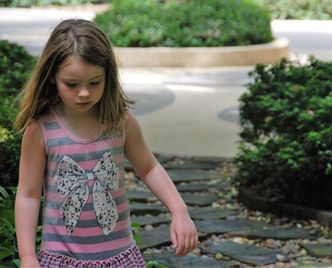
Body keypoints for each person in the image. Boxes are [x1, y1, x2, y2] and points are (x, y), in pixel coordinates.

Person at [14, 19, 198, 268]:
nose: (84, 93)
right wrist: (27, 256)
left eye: (94, 82)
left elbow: (149, 168)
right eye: (72, 84)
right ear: (52, 78)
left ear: (107, 76)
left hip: (119, 259)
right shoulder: (41, 130)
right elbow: (28, 194)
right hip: (62, 260)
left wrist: (179, 210)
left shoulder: (120, 122)